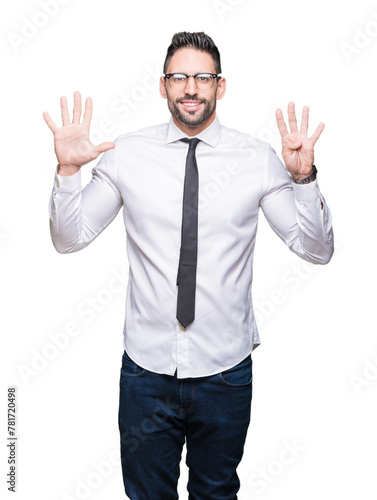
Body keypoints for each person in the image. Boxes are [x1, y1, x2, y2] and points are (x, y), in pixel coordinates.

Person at [44, 31, 334, 500]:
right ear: (163, 86)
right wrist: (68, 174)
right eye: (179, 77)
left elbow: (316, 250)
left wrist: (304, 180)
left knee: (216, 494)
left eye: (203, 77)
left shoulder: (257, 159)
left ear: (221, 86)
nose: (191, 88)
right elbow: (69, 238)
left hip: (225, 371)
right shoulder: (127, 154)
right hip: (145, 373)